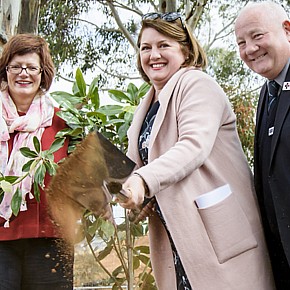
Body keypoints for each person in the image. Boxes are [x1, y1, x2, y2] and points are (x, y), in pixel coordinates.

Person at [119, 12, 275, 290]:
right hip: (176, 242)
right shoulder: (145, 106)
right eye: (146, 47)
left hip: (219, 238)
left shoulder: (198, 85)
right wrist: (132, 196)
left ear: (186, 49)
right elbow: (136, 167)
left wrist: (143, 181)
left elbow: (192, 146)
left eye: (163, 45)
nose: (153, 54)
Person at [0, 34, 73, 289]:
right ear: (5, 70)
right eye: (16, 66)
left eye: (32, 67)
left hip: (50, 243)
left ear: (43, 74)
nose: (24, 74)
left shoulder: (65, 123)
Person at [234, 1, 290, 289]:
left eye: (257, 36)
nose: (250, 49)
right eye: (241, 43)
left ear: (287, 31)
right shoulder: (266, 95)